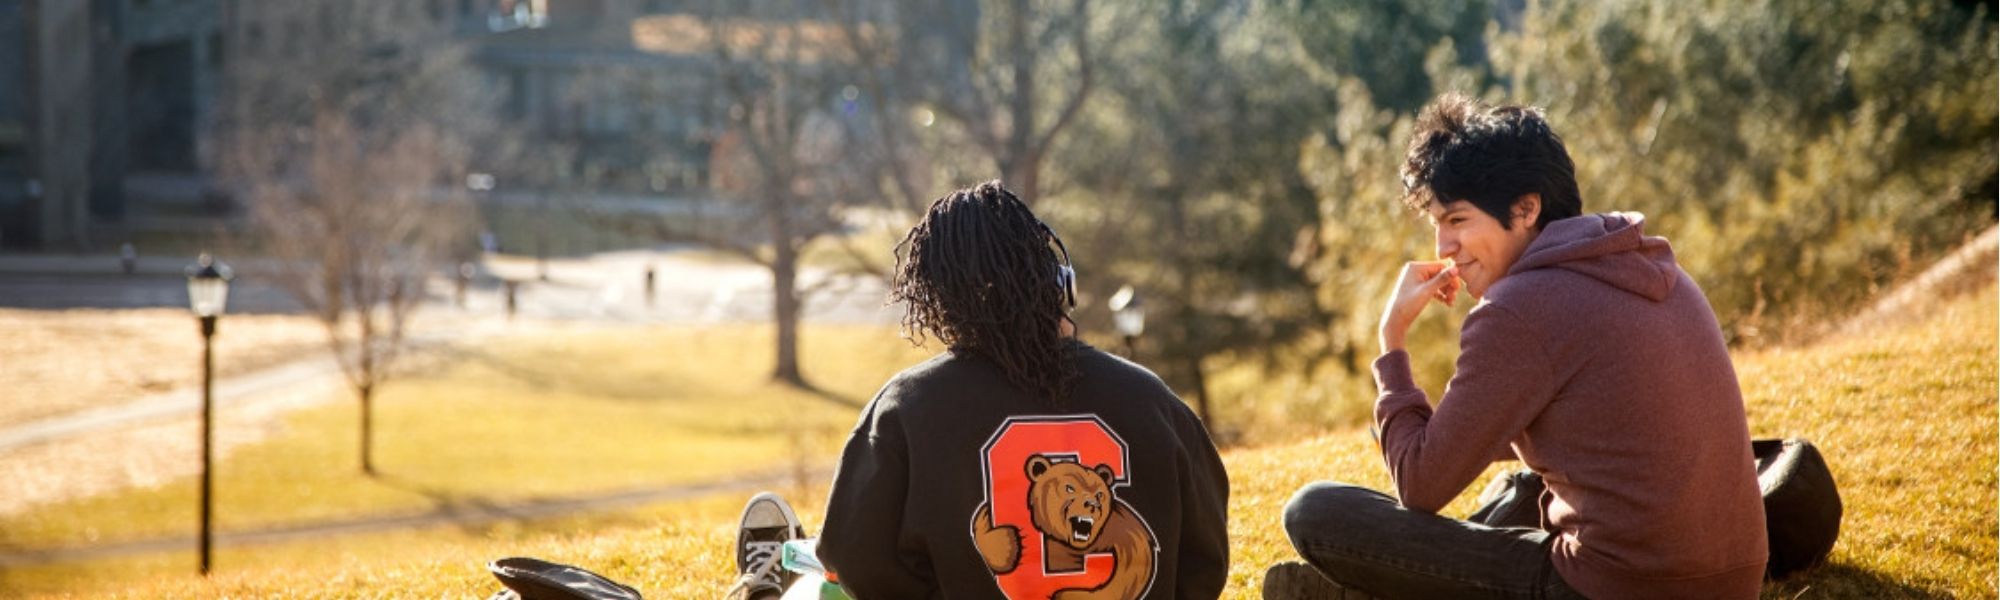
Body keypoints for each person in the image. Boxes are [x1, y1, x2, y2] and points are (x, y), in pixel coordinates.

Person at [1267, 94, 1768, 600]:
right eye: (1437, 223)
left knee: (1313, 511)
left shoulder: (1518, 308)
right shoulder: (1651, 264)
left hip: (1615, 587)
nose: (1443, 246)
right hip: (1732, 580)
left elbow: (1419, 484)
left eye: (1458, 220)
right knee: (1521, 490)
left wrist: (1391, 342)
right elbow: (1596, 427)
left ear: (1526, 208)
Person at [728, 181, 1232, 600]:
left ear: (938, 307)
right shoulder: (1155, 402)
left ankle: (768, 587)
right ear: (1061, 285)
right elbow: (1205, 562)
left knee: (814, 586)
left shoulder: (905, 409)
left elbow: (850, 561)